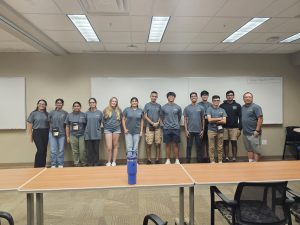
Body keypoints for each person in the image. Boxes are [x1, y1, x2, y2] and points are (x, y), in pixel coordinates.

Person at [220, 90, 242, 162]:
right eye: (228, 95)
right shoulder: (222, 105)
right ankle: (226, 157)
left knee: (234, 142)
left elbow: (240, 117)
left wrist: (239, 128)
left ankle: (234, 157)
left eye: (231, 95)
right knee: (225, 142)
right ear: (226, 96)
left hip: (234, 128)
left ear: (233, 96)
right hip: (224, 127)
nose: (229, 96)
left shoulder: (237, 105)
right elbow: (220, 117)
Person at [161, 92, 182, 164]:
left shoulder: (178, 107)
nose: (171, 97)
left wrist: (175, 123)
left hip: (176, 128)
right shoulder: (163, 107)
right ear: (167, 97)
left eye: (172, 96)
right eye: (169, 96)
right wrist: (166, 124)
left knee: (176, 144)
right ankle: (168, 160)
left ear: (174, 97)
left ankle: (177, 160)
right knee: (167, 145)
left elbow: (179, 117)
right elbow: (162, 117)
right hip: (166, 128)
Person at [27, 99, 49, 168]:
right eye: (40, 104)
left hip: (46, 132)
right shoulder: (33, 113)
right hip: (37, 132)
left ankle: (43, 165)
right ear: (37, 105)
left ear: (45, 106)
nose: (41, 105)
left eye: (43, 104)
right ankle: (37, 166)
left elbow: (50, 124)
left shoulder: (47, 114)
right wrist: (30, 135)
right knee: (40, 149)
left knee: (44, 150)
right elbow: (30, 124)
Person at [241, 92, 263, 162]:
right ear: (243, 99)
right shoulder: (242, 107)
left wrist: (257, 130)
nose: (247, 98)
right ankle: (250, 163)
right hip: (245, 133)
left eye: (249, 97)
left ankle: (256, 164)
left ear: (252, 98)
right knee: (249, 149)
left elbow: (260, 119)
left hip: (254, 132)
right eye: (246, 97)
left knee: (256, 150)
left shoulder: (256, 107)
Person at [184, 92, 205, 163]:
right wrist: (186, 130)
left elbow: (203, 119)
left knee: (199, 147)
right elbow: (185, 120)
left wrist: (203, 130)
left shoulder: (201, 108)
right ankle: (188, 160)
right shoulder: (187, 108)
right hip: (190, 131)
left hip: (199, 131)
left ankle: (199, 161)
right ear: (190, 98)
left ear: (197, 97)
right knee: (189, 147)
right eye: (192, 96)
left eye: (195, 96)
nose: (193, 97)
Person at [65, 101, 87, 167]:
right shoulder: (69, 115)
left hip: (82, 135)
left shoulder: (84, 115)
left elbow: (86, 125)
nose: (76, 107)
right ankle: (76, 163)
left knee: (82, 150)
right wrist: (67, 136)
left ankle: (84, 163)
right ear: (73, 107)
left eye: (78, 106)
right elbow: (67, 126)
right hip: (72, 135)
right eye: (75, 106)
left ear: (80, 107)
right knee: (75, 151)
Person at [48, 98, 68, 168]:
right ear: (55, 104)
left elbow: (66, 125)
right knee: (53, 150)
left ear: (62, 104)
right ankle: (53, 164)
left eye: (60, 103)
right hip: (52, 134)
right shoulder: (51, 112)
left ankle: (60, 164)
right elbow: (49, 122)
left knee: (61, 150)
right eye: (58, 103)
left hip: (62, 134)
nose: (59, 104)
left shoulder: (65, 113)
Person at [207, 95, 227, 163]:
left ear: (219, 101)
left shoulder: (222, 110)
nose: (216, 102)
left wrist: (214, 119)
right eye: (215, 100)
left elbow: (224, 121)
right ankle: (212, 161)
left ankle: (220, 160)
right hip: (211, 130)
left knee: (220, 147)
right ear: (212, 101)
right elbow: (209, 120)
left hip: (220, 130)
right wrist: (219, 118)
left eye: (218, 100)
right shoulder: (209, 109)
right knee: (211, 147)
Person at [103, 97, 122, 166]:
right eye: (112, 101)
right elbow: (103, 120)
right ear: (110, 102)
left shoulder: (119, 110)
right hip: (108, 130)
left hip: (116, 130)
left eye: (115, 101)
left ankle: (114, 161)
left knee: (115, 146)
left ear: (116, 102)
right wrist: (107, 126)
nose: (114, 102)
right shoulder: (106, 110)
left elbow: (121, 120)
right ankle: (109, 161)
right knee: (109, 147)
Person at [144, 91, 162, 164]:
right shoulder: (147, 105)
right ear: (150, 96)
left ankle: (157, 159)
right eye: (153, 96)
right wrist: (152, 123)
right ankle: (149, 159)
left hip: (157, 127)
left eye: (155, 96)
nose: (154, 97)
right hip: (149, 127)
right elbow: (145, 116)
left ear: (157, 97)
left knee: (158, 143)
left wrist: (157, 122)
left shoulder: (159, 106)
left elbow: (161, 116)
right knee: (149, 143)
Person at [85, 98, 103, 166]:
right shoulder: (86, 113)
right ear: (89, 104)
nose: (92, 103)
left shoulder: (99, 112)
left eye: (93, 102)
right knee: (89, 150)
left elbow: (101, 123)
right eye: (90, 102)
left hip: (97, 134)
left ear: (95, 103)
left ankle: (96, 163)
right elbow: (85, 123)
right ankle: (90, 163)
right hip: (88, 134)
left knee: (96, 150)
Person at [198, 90, 212, 161]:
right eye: (203, 95)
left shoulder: (211, 104)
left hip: (210, 124)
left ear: (208, 96)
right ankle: (203, 156)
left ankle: (209, 156)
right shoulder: (198, 105)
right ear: (201, 96)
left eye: (206, 95)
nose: (205, 96)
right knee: (202, 141)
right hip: (201, 124)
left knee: (209, 141)